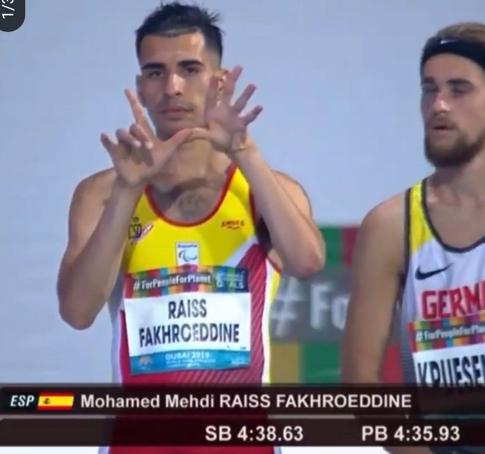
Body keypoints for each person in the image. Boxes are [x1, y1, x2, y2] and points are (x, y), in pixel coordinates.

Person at [56, 2, 325, 453]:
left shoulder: (263, 189)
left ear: (218, 81)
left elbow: (307, 262)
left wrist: (245, 153)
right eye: (156, 72)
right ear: (140, 87)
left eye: (190, 69)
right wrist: (127, 191)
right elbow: (77, 312)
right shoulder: (102, 193)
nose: (173, 88)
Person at [342, 22, 485, 454]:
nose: (439, 105)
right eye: (429, 89)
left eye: (459, 89)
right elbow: (360, 384)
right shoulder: (391, 226)